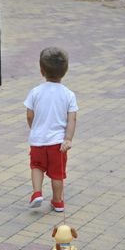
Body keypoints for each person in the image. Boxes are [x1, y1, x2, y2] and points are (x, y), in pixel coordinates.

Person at [24, 47, 78, 212]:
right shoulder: (68, 95)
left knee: (37, 166)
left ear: (41, 71)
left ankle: (37, 193)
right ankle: (57, 201)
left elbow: (29, 115)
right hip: (58, 143)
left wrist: (35, 129)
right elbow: (72, 119)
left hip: (38, 140)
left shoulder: (35, 92)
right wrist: (68, 139)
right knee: (57, 173)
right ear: (65, 71)